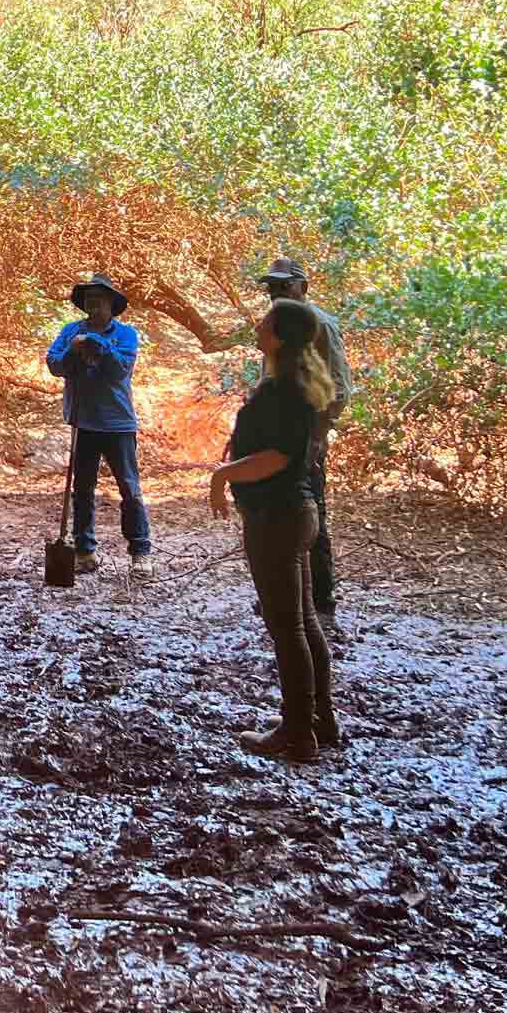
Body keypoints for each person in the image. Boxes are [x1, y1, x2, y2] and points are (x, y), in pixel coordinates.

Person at [210, 298, 339, 763]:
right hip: (297, 513)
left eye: (265, 323)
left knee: (287, 629)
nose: (258, 326)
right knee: (302, 623)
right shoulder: (298, 384)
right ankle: (321, 720)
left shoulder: (281, 390)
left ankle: (298, 732)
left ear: (280, 335)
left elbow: (276, 458)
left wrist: (222, 475)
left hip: (276, 518)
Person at [259, 259, 351, 628]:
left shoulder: (321, 326)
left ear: (303, 287)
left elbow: (339, 388)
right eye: (272, 288)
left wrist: (316, 437)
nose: (277, 294)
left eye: (284, 286)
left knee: (310, 518)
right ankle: (287, 598)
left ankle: (322, 603)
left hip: (304, 438)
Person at [45, 274, 152, 576]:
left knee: (129, 488)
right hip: (83, 423)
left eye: (99, 300)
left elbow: (120, 371)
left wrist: (96, 344)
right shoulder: (70, 331)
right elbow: (54, 364)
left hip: (118, 424)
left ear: (111, 305)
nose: (93, 305)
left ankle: (140, 552)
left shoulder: (126, 335)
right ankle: (84, 551)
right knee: (82, 489)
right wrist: (73, 349)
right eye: (89, 300)